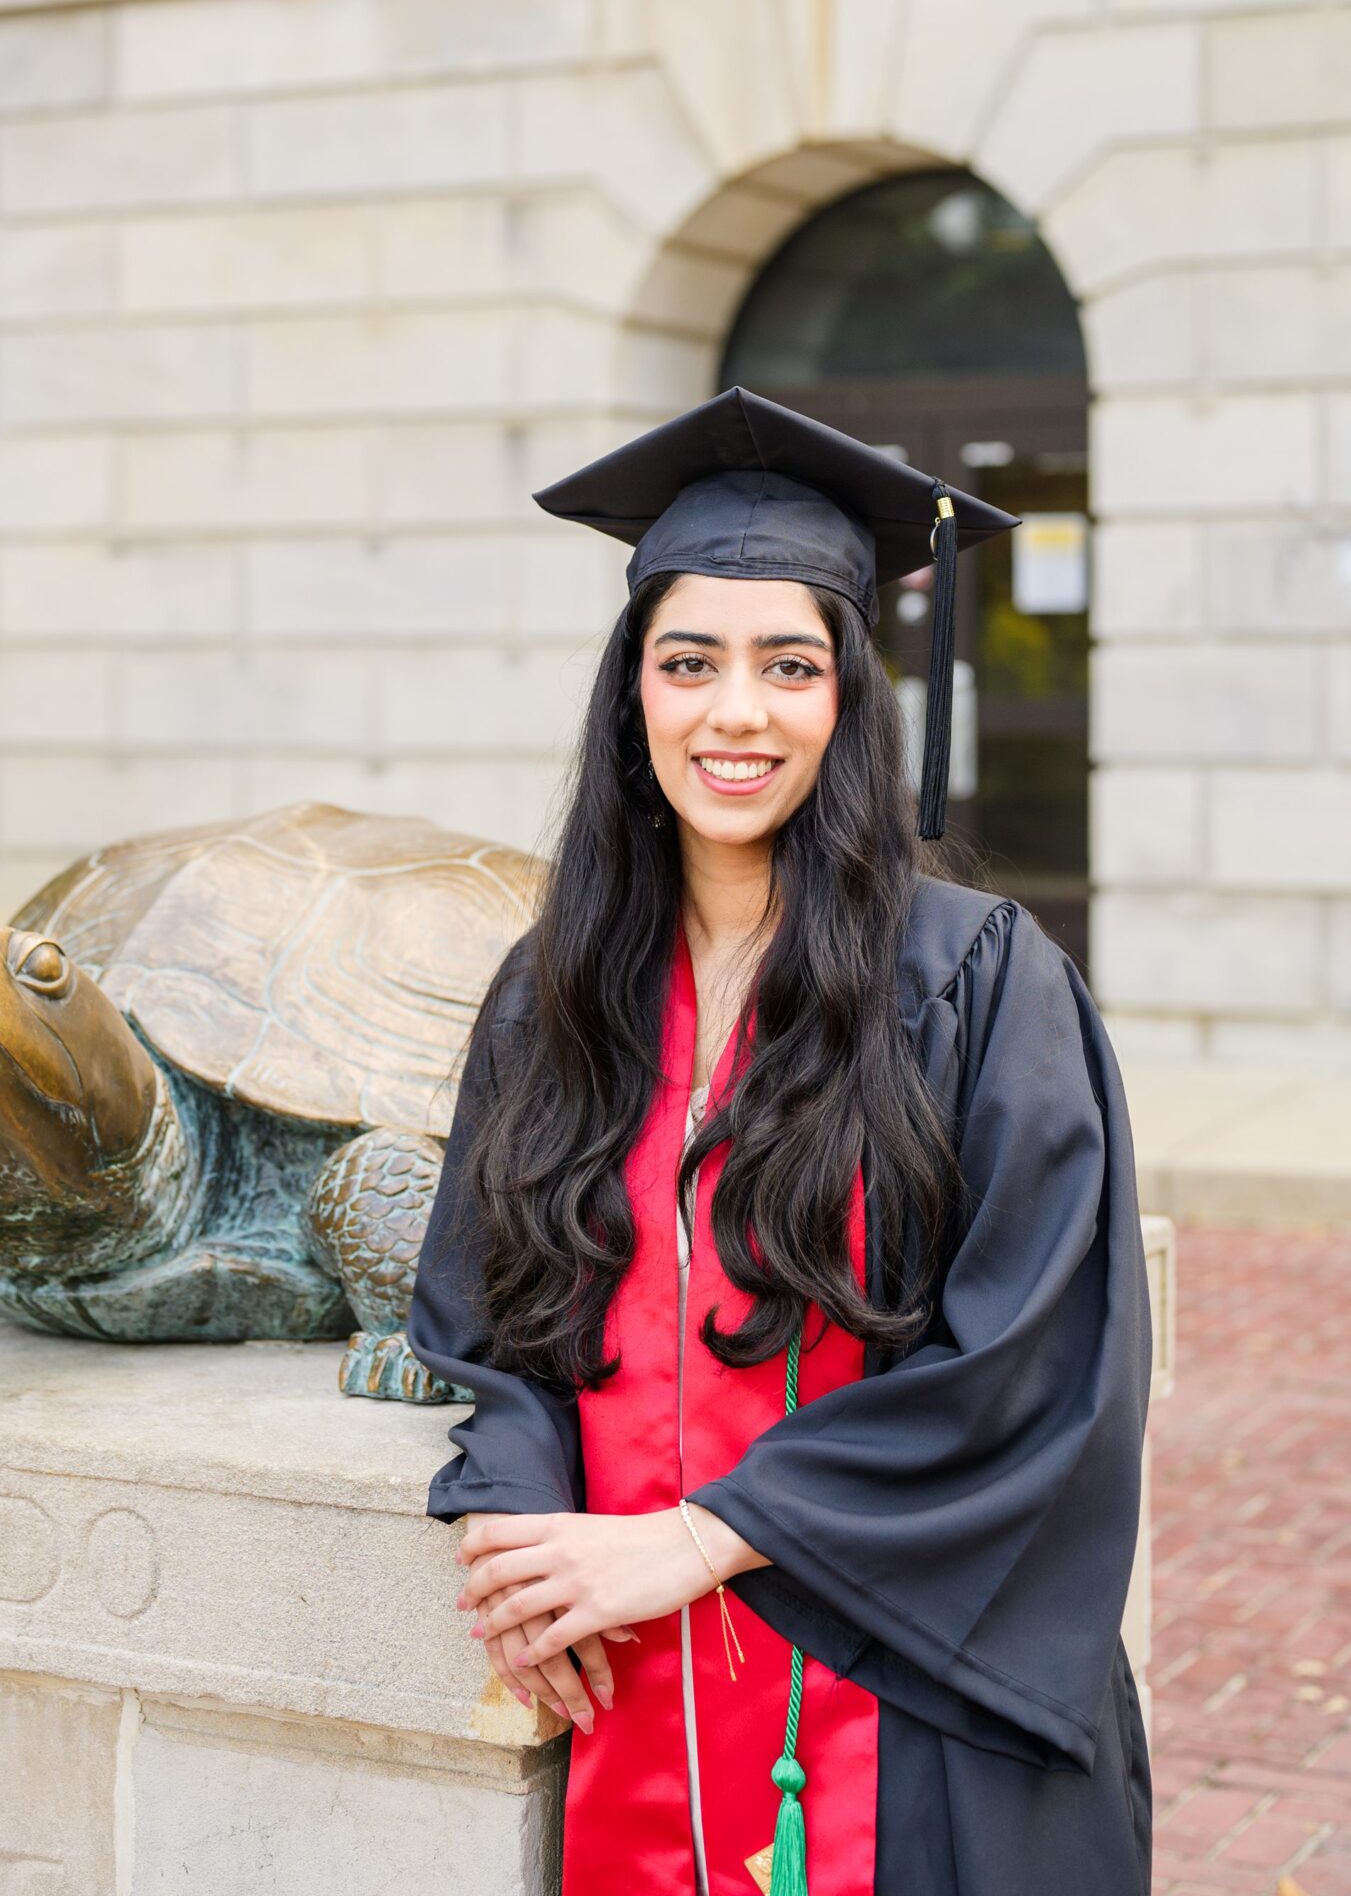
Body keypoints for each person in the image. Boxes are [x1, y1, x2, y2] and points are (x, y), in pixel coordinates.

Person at [406, 387, 1152, 1896]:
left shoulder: (978, 983)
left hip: (914, 1715)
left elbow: (1038, 1355)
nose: (735, 713)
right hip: (641, 1698)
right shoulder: (556, 992)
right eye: (689, 663)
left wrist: (705, 1536)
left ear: (847, 699)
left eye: (788, 666)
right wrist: (514, 1500)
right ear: (634, 697)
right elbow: (486, 1299)